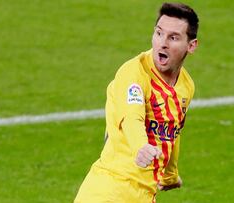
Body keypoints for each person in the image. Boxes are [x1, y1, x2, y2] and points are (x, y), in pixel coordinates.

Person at [74, 2, 199, 203]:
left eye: (173, 37)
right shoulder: (133, 73)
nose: (162, 43)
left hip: (144, 195)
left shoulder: (186, 86)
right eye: (159, 33)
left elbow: (172, 132)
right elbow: (132, 118)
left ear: (191, 46)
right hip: (109, 191)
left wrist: (170, 175)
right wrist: (141, 146)